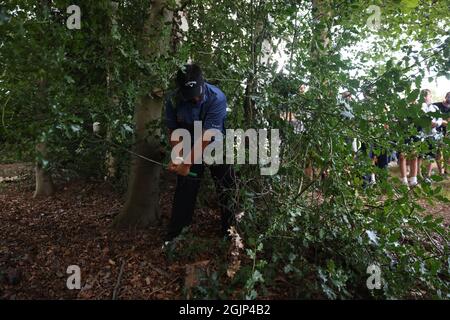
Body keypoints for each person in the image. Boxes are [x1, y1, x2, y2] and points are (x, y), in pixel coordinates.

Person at [164, 64, 236, 241]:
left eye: (197, 93)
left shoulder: (217, 98)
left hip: (213, 143)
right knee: (185, 188)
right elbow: (173, 131)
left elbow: (207, 137)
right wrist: (179, 158)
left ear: (203, 83)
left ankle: (230, 233)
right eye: (190, 96)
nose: (195, 98)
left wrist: (187, 163)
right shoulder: (173, 100)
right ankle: (176, 237)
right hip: (187, 139)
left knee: (227, 184)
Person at [420, 89, 446, 183]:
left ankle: (429, 175)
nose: (430, 98)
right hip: (424, 135)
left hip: (435, 135)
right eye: (429, 96)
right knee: (424, 157)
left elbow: (439, 118)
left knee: (435, 155)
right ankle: (422, 175)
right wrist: (440, 122)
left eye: (430, 96)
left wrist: (438, 122)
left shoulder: (434, 107)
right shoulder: (421, 108)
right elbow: (429, 123)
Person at [433, 91, 450, 176]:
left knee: (447, 153)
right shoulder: (436, 105)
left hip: (448, 133)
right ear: (446, 96)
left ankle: (447, 170)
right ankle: (441, 172)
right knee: (439, 152)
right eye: (449, 96)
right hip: (437, 132)